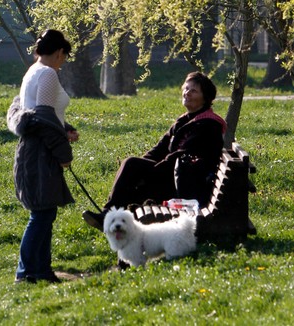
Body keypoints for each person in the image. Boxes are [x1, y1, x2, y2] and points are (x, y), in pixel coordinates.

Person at [82, 71, 226, 231]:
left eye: (194, 91)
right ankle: (110, 216)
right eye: (186, 88)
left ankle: (109, 216)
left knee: (132, 167)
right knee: (132, 167)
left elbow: (179, 157)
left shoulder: (208, 125)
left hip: (186, 184)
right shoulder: (185, 120)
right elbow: (159, 149)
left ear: (205, 98)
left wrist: (147, 174)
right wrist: (141, 169)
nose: (187, 93)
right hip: (172, 175)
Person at [9, 29, 80, 284]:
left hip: (34, 147)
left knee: (45, 212)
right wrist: (63, 154)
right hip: (41, 151)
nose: (63, 62)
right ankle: (26, 272)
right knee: (41, 214)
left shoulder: (33, 71)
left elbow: (44, 115)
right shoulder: (48, 73)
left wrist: (65, 128)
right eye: (64, 57)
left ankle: (40, 270)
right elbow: (43, 118)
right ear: (60, 52)